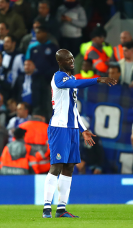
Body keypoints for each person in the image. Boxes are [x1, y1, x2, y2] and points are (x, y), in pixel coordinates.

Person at [42, 49, 117, 218]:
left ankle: (61, 208)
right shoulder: (59, 77)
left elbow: (74, 110)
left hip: (72, 129)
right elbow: (75, 85)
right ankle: (47, 207)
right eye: (67, 59)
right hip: (59, 127)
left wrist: (83, 130)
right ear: (60, 62)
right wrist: (98, 79)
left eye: (71, 58)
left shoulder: (72, 79)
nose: (71, 61)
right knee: (56, 166)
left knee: (69, 167)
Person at [19, 108, 50, 174]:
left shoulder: (22, 126)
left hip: (25, 165)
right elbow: (51, 146)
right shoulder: (47, 128)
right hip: (43, 166)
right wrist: (38, 156)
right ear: (43, 117)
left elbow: (17, 145)